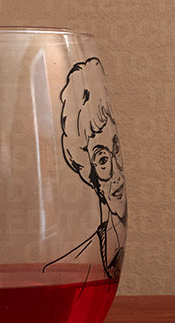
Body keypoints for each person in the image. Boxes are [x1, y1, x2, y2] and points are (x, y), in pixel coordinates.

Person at [44, 57, 126, 281]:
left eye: (115, 149)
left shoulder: (101, 265)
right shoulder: (63, 272)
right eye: (102, 160)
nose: (116, 172)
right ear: (91, 177)